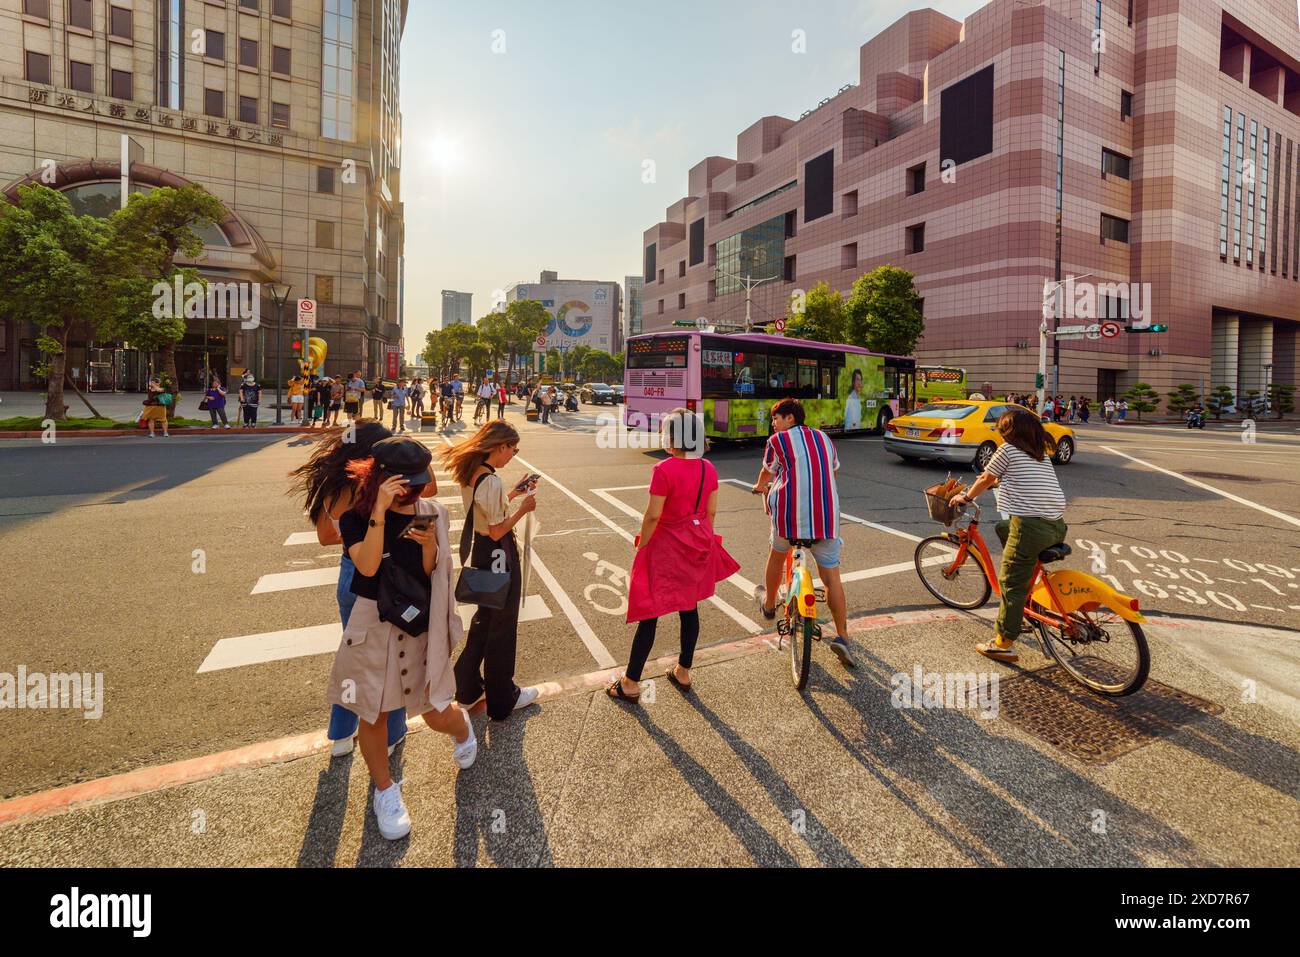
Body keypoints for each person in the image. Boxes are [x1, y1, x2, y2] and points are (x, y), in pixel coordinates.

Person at [328, 436, 477, 840]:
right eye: (403, 487)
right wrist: (378, 510)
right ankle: (385, 791)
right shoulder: (354, 519)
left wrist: (429, 547)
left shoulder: (432, 512)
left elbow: (434, 575)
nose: (412, 495)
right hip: (374, 624)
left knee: (432, 711)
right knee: (372, 713)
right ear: (379, 479)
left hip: (420, 626)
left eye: (417, 485)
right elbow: (369, 566)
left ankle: (462, 727)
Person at [288, 420, 410, 759]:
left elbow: (325, 536)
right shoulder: (376, 486)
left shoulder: (333, 483)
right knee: (390, 659)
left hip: (348, 576)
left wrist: (355, 534)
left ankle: (341, 736)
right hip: (379, 577)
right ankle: (392, 733)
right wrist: (374, 529)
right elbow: (425, 491)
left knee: (352, 656)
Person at [608, 410, 740, 701]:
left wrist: (643, 543)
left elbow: (653, 515)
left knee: (650, 612)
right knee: (689, 608)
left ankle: (630, 682)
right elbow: (711, 511)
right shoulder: (708, 468)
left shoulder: (664, 469)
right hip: (695, 543)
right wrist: (702, 537)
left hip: (666, 546)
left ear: (673, 437)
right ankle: (683, 670)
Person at [440, 421, 541, 721]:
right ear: (500, 446)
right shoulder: (490, 481)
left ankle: (468, 689)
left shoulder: (473, 472)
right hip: (499, 553)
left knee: (485, 622)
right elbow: (497, 530)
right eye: (513, 448)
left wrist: (513, 494)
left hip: (483, 554)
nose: (513, 454)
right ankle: (502, 698)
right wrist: (524, 508)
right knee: (502, 628)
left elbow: (487, 513)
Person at [950, 410, 1067, 664]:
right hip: (1056, 526)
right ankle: (1022, 599)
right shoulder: (1039, 455)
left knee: (1010, 583)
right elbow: (1018, 481)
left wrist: (966, 497)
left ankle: (1003, 643)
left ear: (1010, 432)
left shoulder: (1007, 450)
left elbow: (986, 478)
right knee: (1003, 529)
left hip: (1031, 528)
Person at [752, 398, 856, 668]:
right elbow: (833, 472)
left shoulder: (778, 442)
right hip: (826, 518)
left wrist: (759, 486)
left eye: (777, 418)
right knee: (832, 577)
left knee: (777, 554)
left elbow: (767, 472)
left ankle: (770, 604)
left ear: (790, 419)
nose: (774, 423)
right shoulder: (824, 437)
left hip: (790, 518)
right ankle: (843, 637)